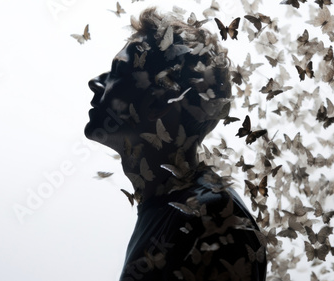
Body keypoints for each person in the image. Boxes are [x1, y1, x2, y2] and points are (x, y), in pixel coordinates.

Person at [84, 8, 267, 281]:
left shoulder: (212, 215)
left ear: (160, 100)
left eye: (118, 70)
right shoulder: (165, 210)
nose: (94, 83)